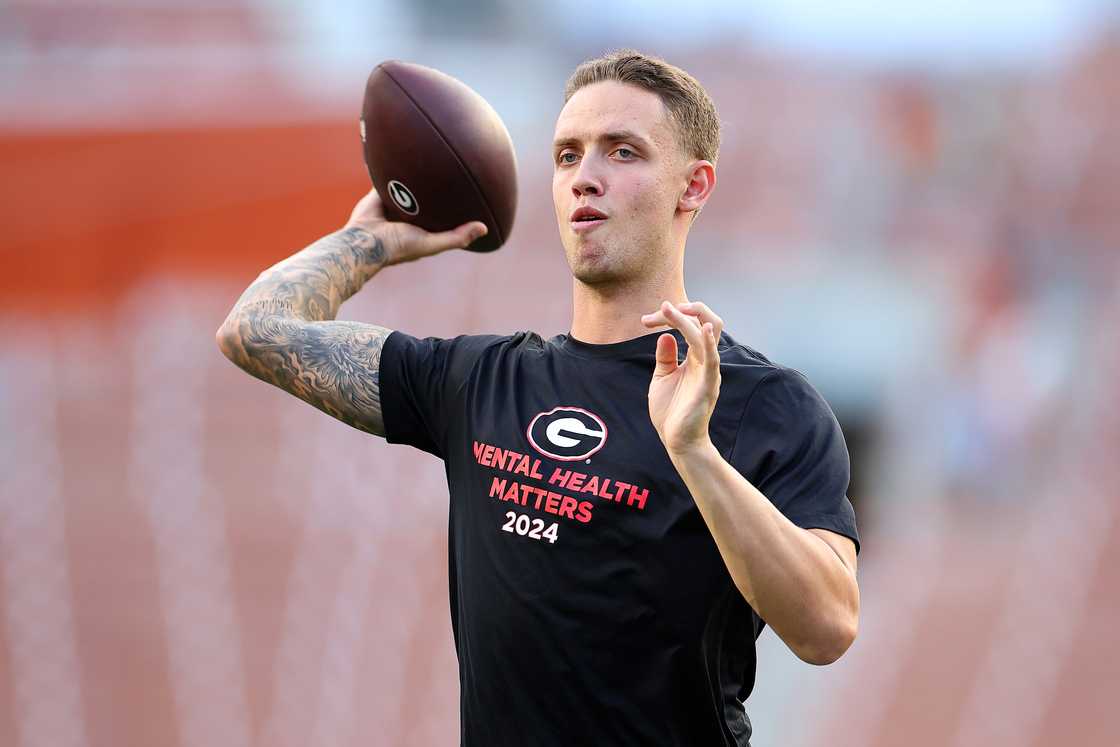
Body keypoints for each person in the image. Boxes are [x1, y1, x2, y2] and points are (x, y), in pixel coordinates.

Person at [217, 49, 860, 746]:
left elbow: (827, 628)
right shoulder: (478, 380)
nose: (586, 177)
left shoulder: (760, 404)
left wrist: (694, 453)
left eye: (622, 152)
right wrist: (367, 241)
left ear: (693, 186)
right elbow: (256, 330)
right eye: (566, 155)